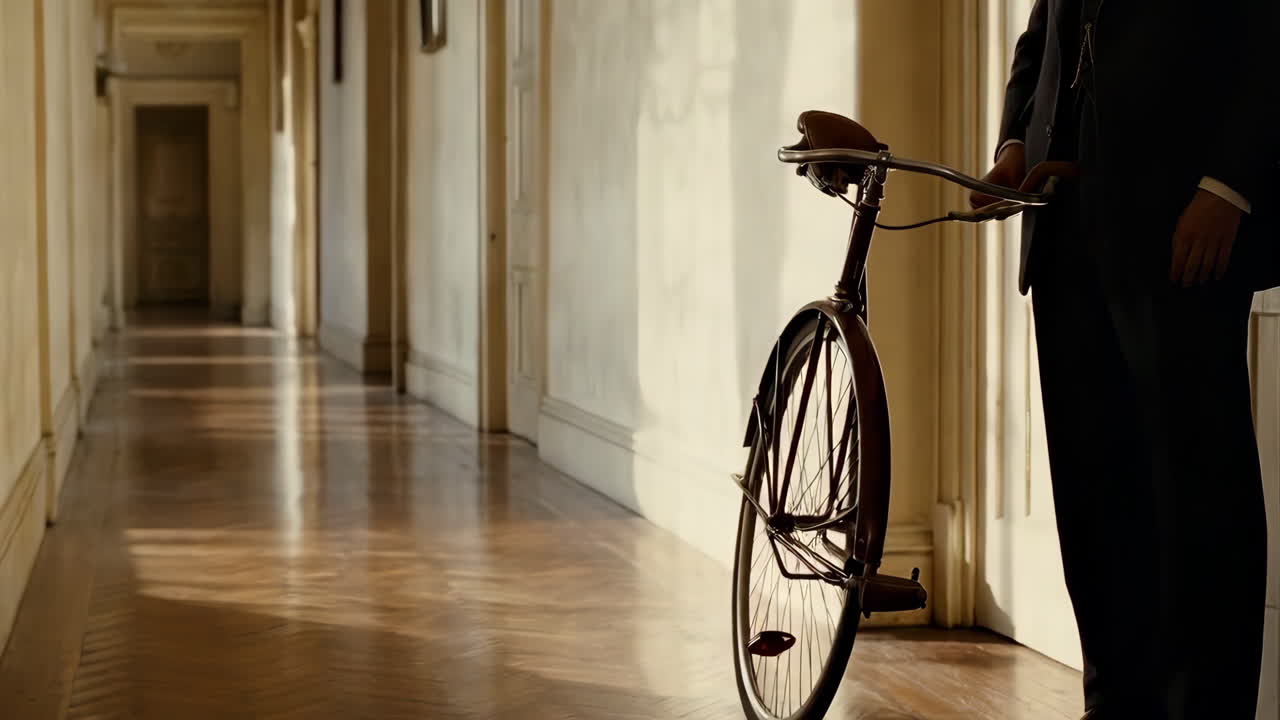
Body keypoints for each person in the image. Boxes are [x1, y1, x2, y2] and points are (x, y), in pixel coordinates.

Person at [972, 1, 1278, 718]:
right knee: (1093, 492)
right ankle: (1113, 704)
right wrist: (1016, 137)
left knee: (1198, 495)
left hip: (1183, 222)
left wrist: (1229, 187)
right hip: (1062, 216)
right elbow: (1045, 31)